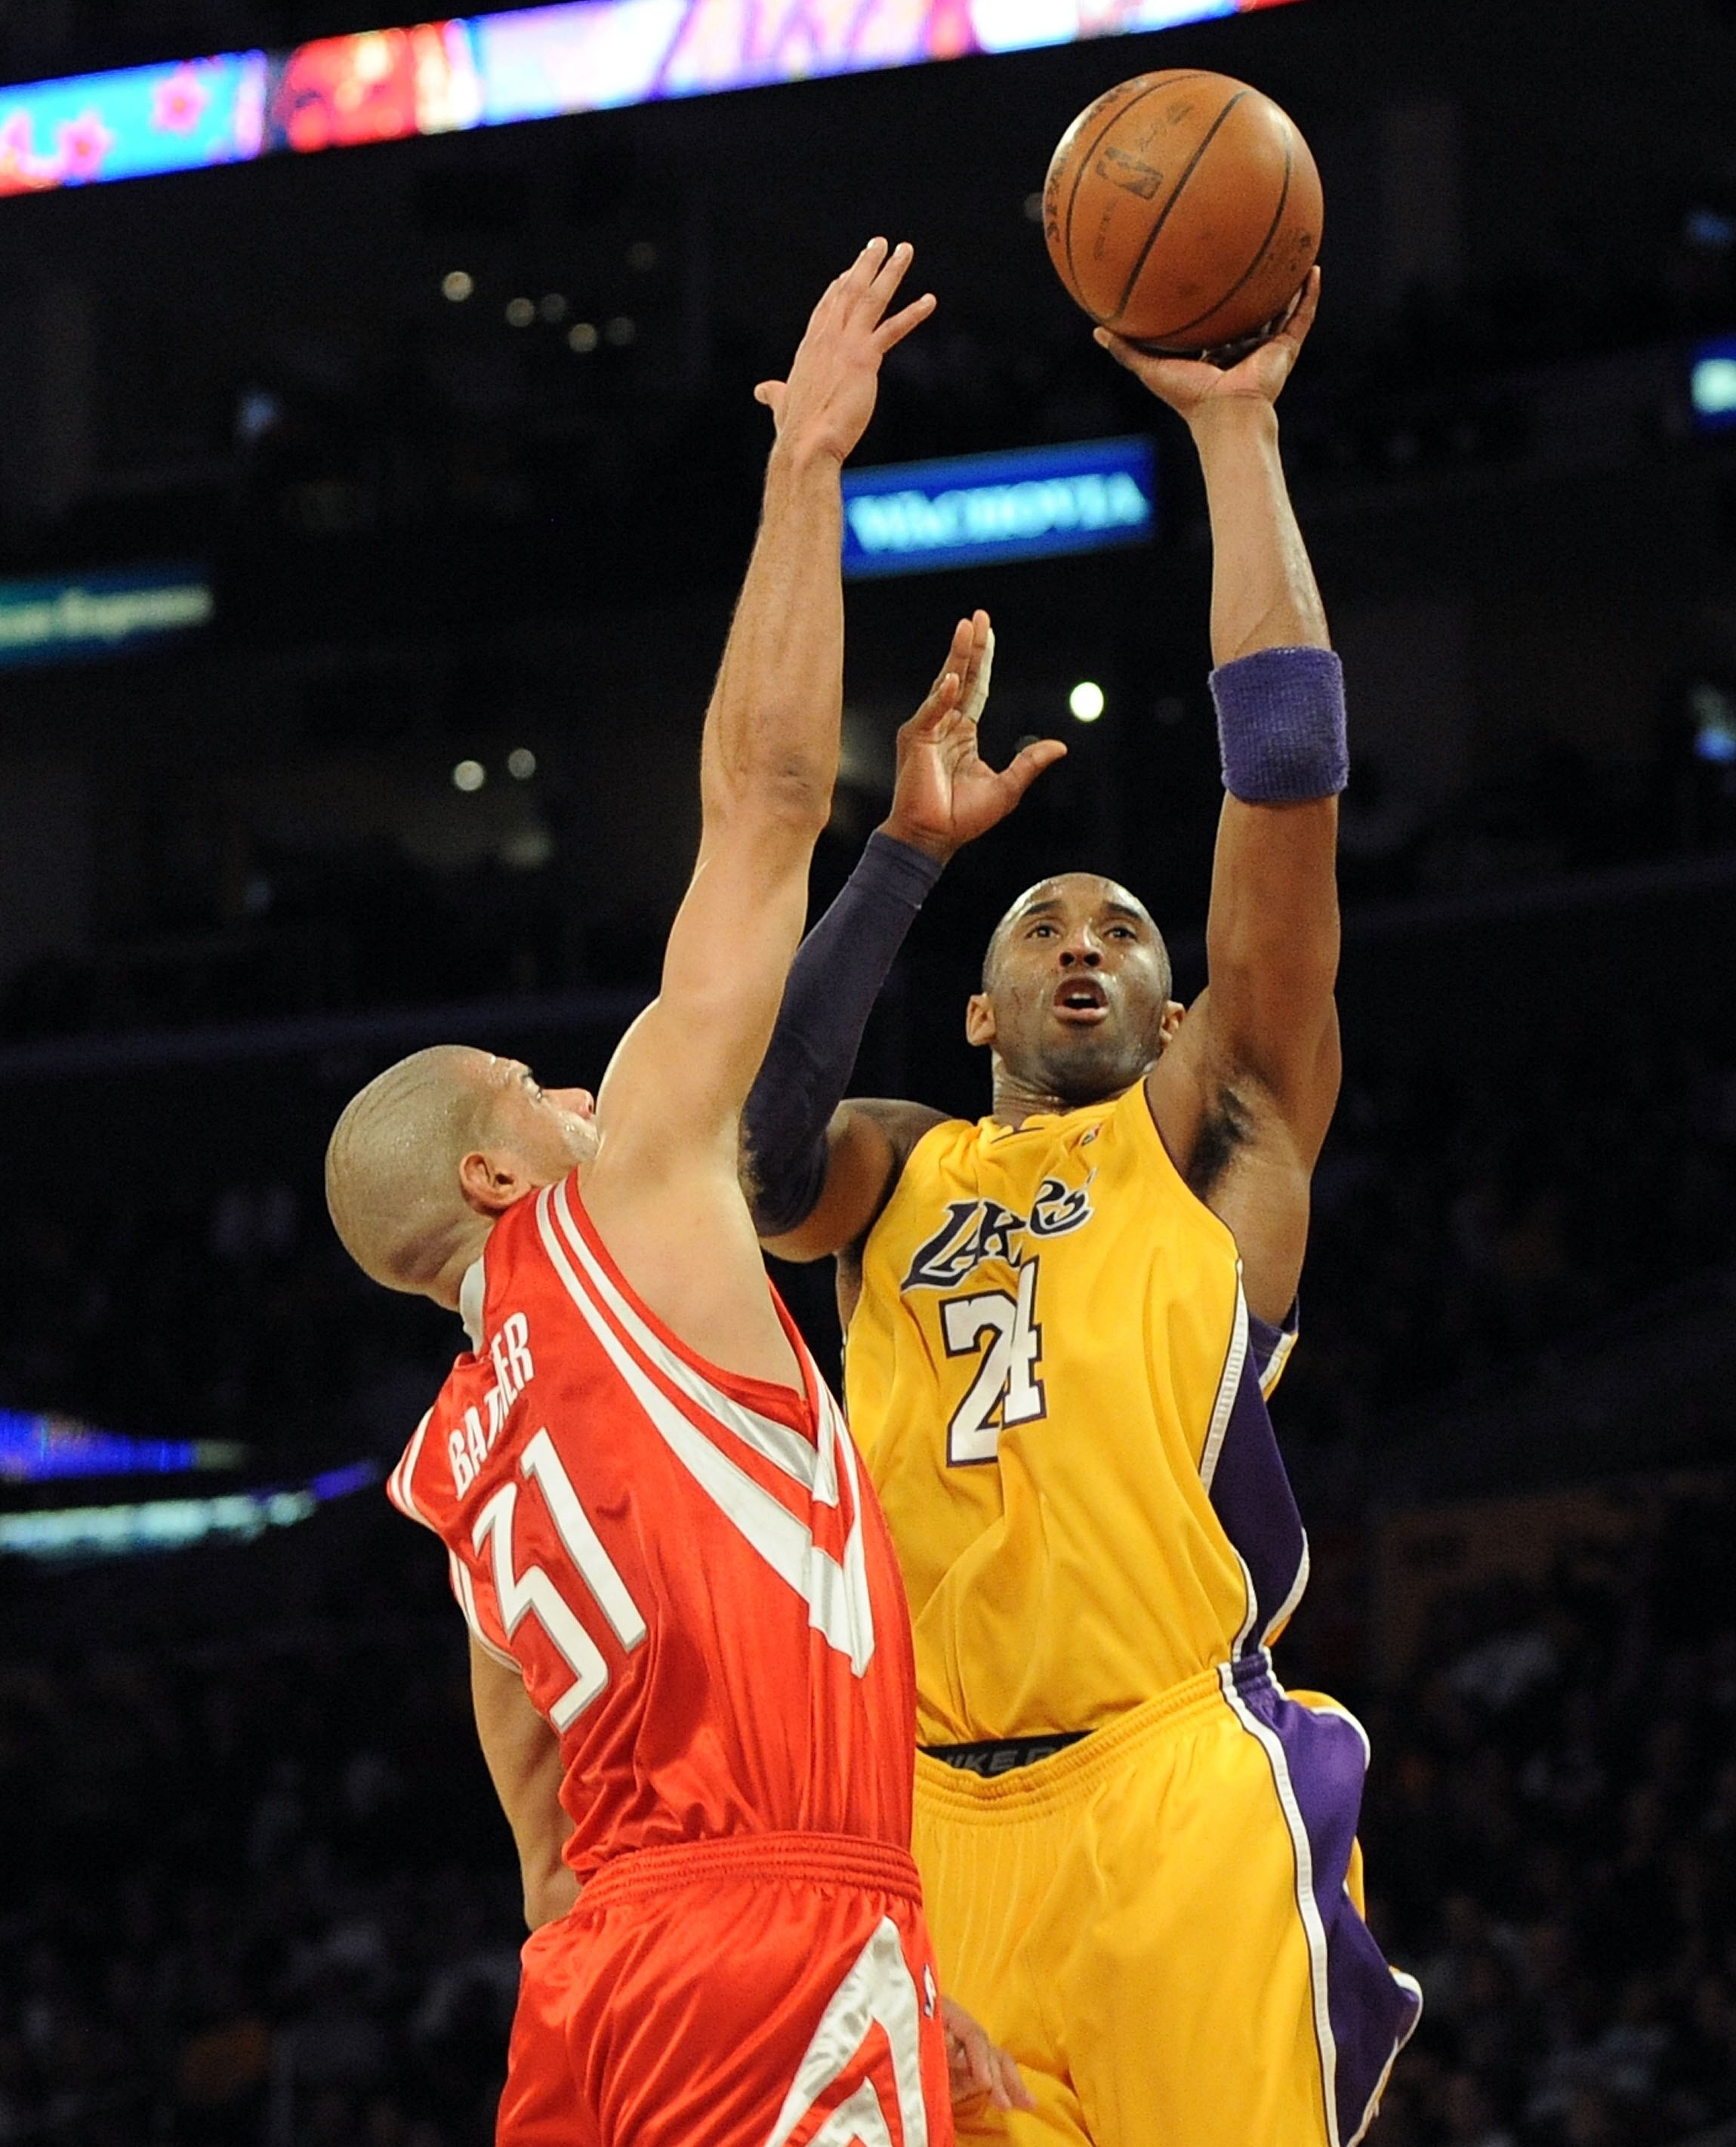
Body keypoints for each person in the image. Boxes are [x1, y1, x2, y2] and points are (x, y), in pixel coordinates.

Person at [324, 239, 1026, 2147]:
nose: (584, 1086)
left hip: (599, 1987)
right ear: (491, 1169)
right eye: (535, 1090)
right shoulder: (617, 1195)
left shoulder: (458, 1471)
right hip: (784, 1932)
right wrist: (806, 467)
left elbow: (537, 1810)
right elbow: (763, 794)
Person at [742, 271, 1423, 2147]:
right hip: (932, 1826)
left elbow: (1284, 781)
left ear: (1173, 1005)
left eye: (1123, 931)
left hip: (1168, 1785)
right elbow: (766, 1163)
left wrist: (1234, 432)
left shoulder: (1224, 1132)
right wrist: (894, 856)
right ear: (972, 1010)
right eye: (1043, 922)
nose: (1084, 942)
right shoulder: (902, 1168)